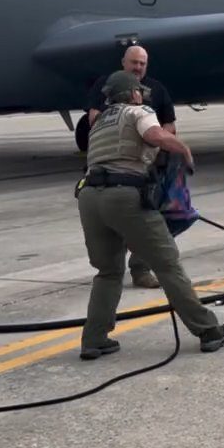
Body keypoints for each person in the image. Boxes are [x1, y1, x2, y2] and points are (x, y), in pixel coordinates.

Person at [76, 70, 224, 359]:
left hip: (89, 198)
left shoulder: (98, 124)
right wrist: (183, 149)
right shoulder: (138, 111)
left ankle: (94, 339)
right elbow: (155, 135)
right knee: (167, 264)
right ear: (134, 94)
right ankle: (208, 330)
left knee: (108, 272)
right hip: (123, 195)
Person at [85, 44, 176, 289]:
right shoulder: (108, 85)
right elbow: (93, 117)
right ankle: (112, 269)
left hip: (147, 167)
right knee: (122, 220)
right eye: (133, 62)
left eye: (142, 64)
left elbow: (169, 124)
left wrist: (156, 145)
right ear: (123, 62)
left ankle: (140, 267)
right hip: (115, 166)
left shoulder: (156, 89)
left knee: (158, 218)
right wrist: (127, 119)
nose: (137, 67)